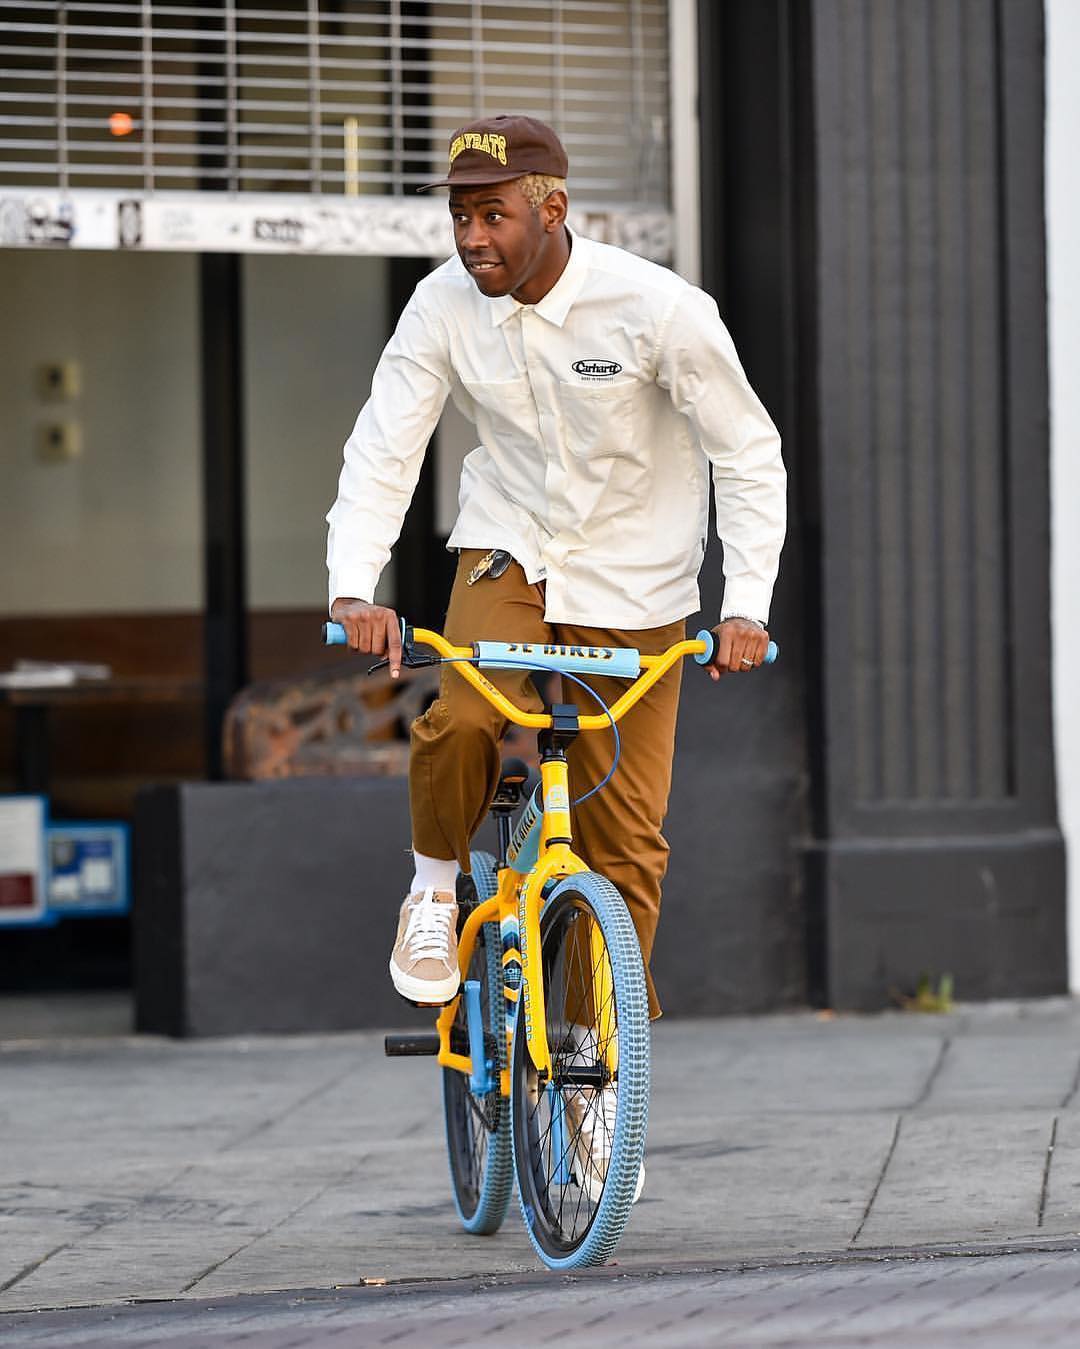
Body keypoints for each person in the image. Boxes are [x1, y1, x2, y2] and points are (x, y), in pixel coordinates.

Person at [327, 113, 785, 1021]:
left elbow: (748, 454)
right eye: (459, 217)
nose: (471, 239)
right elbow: (386, 448)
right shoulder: (442, 305)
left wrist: (747, 605)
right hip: (510, 546)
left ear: (553, 208)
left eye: (491, 216)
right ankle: (430, 890)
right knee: (461, 711)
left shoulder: (661, 311)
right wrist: (353, 583)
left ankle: (591, 1072)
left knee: (628, 843)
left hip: (638, 576)